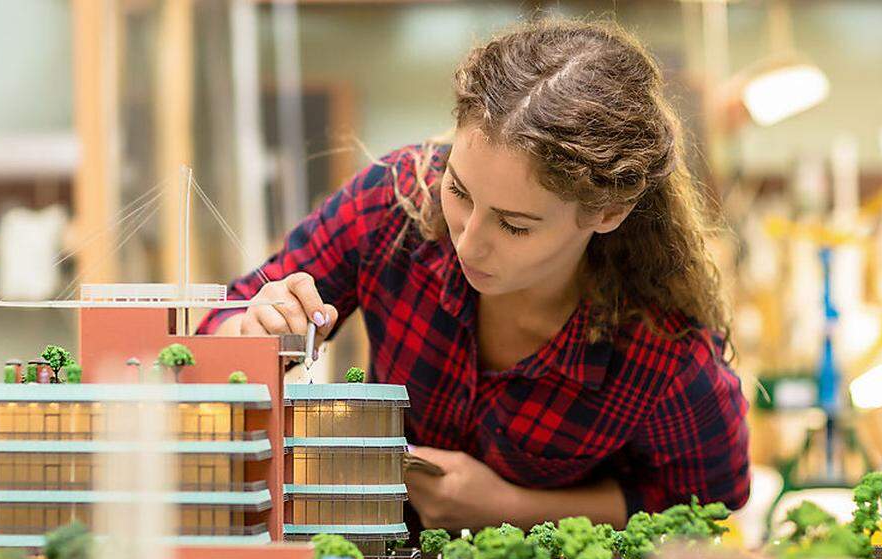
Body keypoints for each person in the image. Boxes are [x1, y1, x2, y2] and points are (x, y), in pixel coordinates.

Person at [198, 19, 750, 530]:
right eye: (459, 191)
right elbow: (214, 324)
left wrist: (514, 508)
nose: (468, 240)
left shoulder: (662, 343)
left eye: (514, 226)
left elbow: (711, 500)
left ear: (606, 213)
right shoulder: (391, 205)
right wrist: (251, 332)